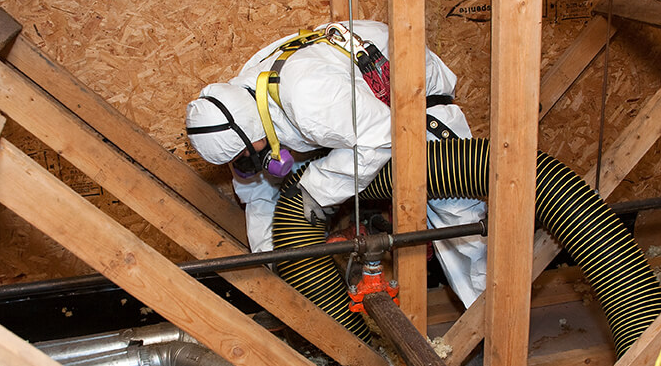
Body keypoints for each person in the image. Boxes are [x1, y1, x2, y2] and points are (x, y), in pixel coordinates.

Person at [185, 20, 487, 307]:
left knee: (463, 238)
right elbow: (259, 195)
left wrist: (316, 189)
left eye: (243, 155)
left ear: (249, 129)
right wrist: (274, 262)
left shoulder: (308, 97)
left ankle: (492, 324)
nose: (246, 163)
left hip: (418, 109)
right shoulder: (243, 111)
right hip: (356, 115)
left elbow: (381, 136)